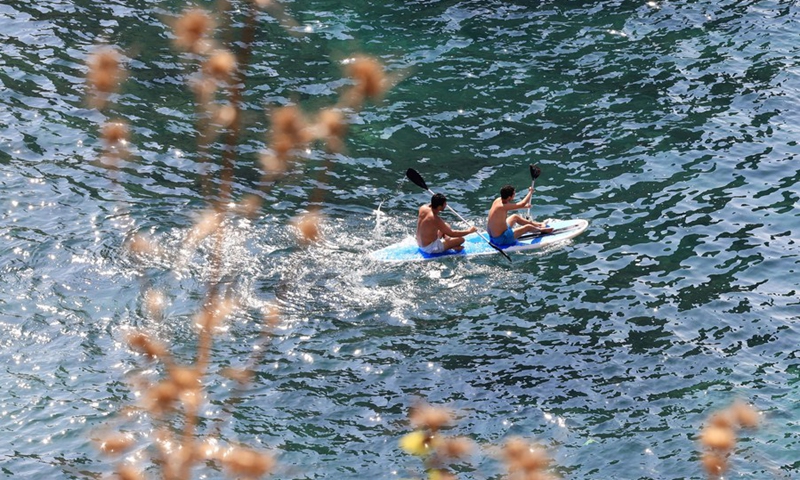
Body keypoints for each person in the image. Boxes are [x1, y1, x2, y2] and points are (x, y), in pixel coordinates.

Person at [486, 184, 552, 246]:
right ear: (509, 197)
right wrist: (530, 192)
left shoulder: (498, 200)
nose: (515, 195)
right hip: (501, 239)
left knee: (515, 217)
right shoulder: (501, 206)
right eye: (514, 194)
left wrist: (524, 206)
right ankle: (542, 230)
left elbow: (510, 206)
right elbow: (521, 204)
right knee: (527, 227)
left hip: (494, 236)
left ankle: (539, 225)